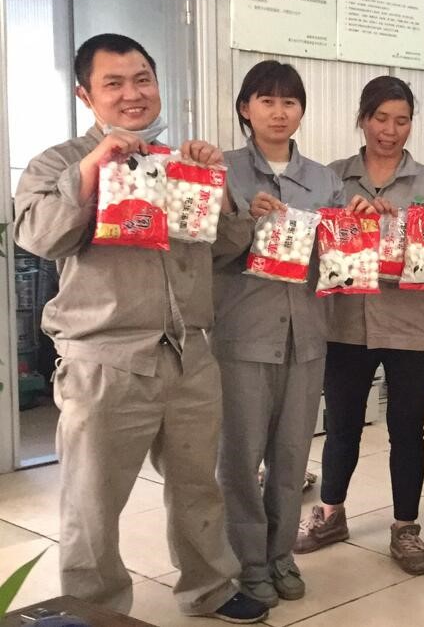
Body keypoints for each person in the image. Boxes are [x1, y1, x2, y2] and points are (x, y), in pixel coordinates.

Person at [12, 33, 267, 623]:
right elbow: (40, 236)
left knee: (198, 485)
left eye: (143, 79)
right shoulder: (57, 163)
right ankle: (93, 608)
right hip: (105, 360)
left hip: (190, 354)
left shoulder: (178, 162)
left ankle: (209, 587)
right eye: (114, 83)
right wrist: (92, 168)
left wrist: (219, 189)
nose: (133, 93)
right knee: (92, 502)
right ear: (86, 95)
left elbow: (226, 248)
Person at [213, 60, 372, 606]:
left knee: (290, 455)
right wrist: (244, 223)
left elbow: (340, 264)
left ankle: (281, 555)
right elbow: (205, 252)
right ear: (245, 108)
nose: (279, 113)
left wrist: (355, 224)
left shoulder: (324, 181)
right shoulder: (224, 172)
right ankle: (248, 562)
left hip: (306, 336)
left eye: (289, 102)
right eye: (266, 100)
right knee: (240, 458)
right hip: (243, 335)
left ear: (301, 110)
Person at [293, 76, 424, 576]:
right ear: (363, 119)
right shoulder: (332, 177)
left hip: (413, 323)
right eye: (380, 118)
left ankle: (405, 528)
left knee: (408, 428)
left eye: (401, 121)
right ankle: (330, 515)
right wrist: (347, 221)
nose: (390, 130)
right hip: (346, 321)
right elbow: (312, 246)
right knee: (342, 424)